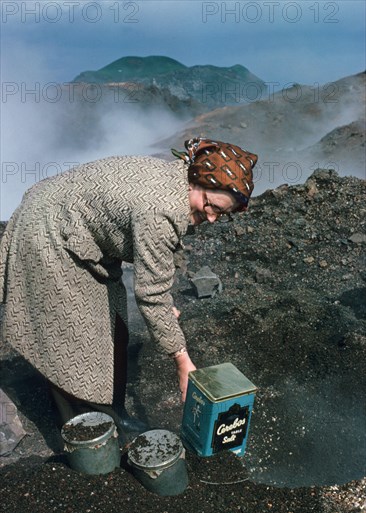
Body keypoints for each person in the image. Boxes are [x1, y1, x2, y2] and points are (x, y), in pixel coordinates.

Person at [0, 137, 257, 443]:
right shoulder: (161, 209)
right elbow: (150, 294)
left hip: (75, 229)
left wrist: (164, 304)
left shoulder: (180, 181)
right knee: (72, 339)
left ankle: (113, 414)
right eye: (211, 206)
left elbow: (159, 257)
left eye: (221, 214)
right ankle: (89, 434)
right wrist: (182, 361)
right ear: (198, 181)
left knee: (115, 326)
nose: (212, 217)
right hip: (48, 234)